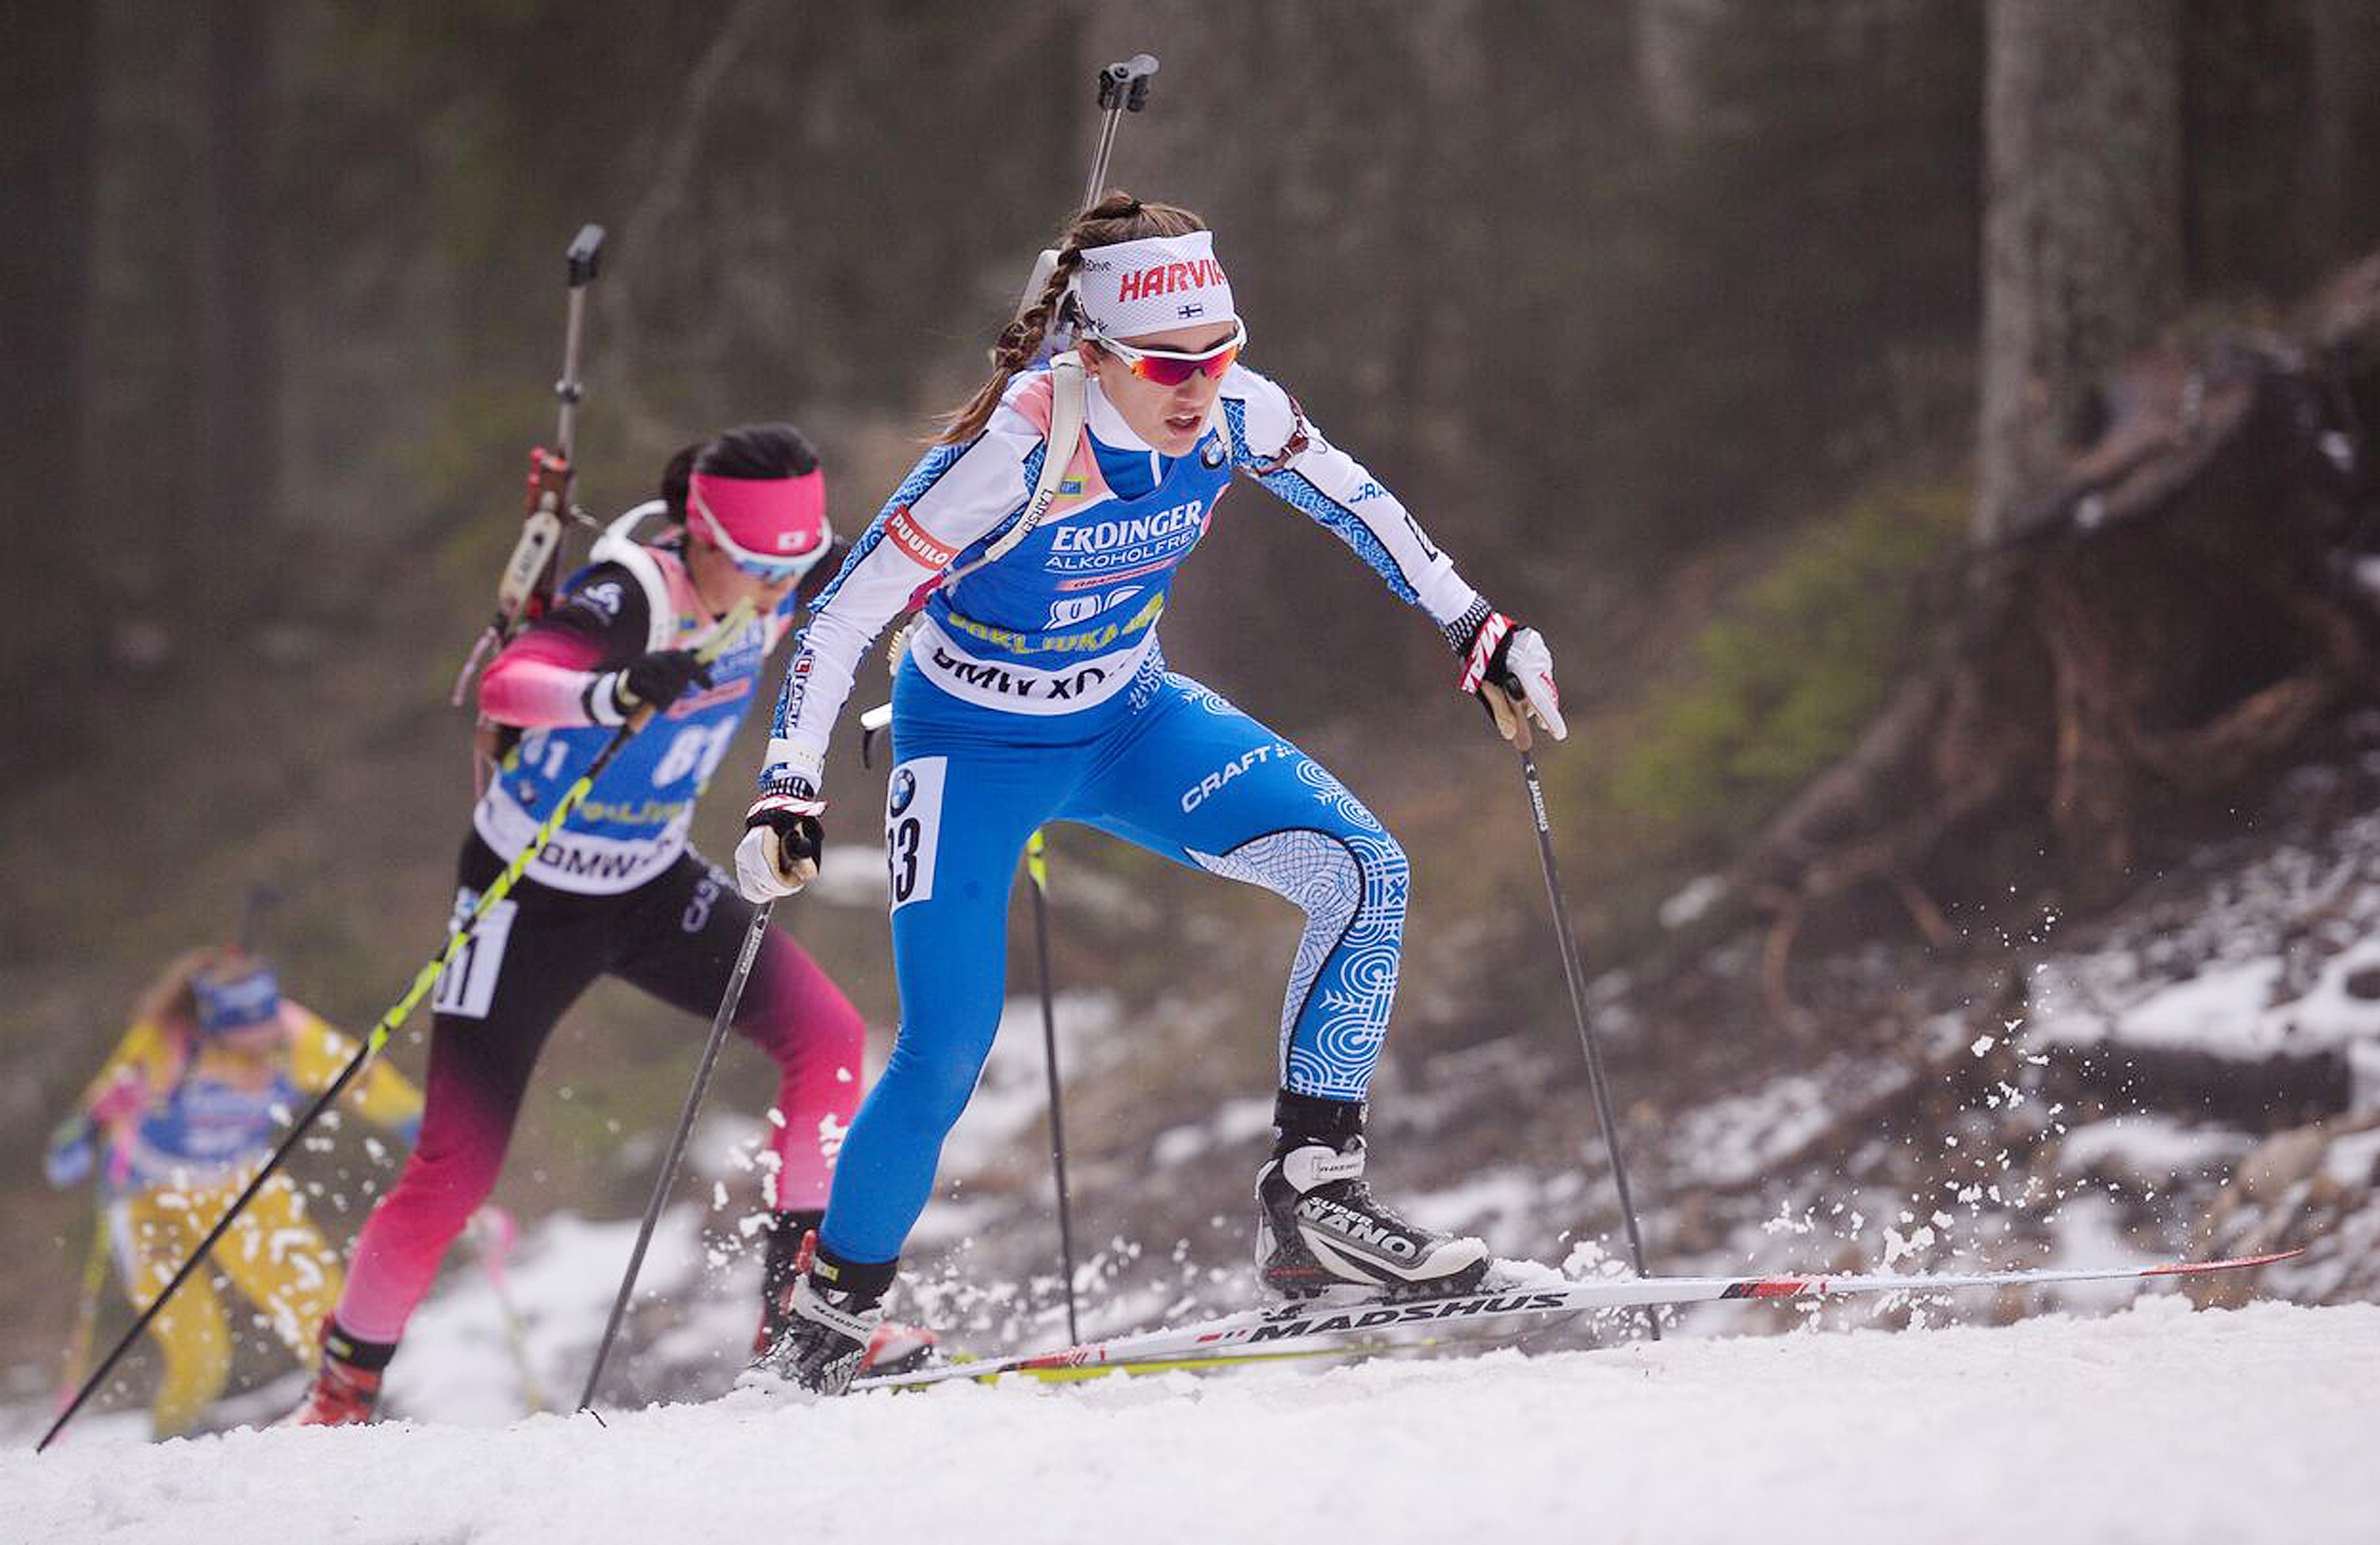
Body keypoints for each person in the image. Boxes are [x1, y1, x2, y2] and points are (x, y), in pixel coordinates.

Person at [732, 195, 1567, 1394]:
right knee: (946, 1049)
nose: (1197, 386)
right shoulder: (1016, 447)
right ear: (1095, 351)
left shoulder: (1238, 411)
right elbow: (842, 616)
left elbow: (1359, 503)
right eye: (1168, 364)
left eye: (1219, 352)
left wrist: (1477, 628)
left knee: (1363, 869)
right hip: (968, 747)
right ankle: (828, 1320)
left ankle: (1316, 1208)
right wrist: (787, 789)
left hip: (1130, 719)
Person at [292, 425, 930, 1425]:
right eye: (757, 565)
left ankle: (799, 1322)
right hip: (528, 897)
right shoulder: (628, 592)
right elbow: (511, 682)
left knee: (830, 1035)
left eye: (794, 566)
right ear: (700, 535)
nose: (778, 587)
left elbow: (908, 576)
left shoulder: (787, 570)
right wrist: (611, 689)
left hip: (650, 883)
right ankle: (340, 1393)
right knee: (455, 1168)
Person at [42, 947, 424, 1438]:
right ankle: (169, 1442)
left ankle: (361, 1416)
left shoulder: (295, 1036)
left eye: (268, 1020)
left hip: (240, 1185)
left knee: (321, 1309)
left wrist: (431, 1133)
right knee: (199, 1351)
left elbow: (375, 1085)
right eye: (246, 1031)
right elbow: (94, 1109)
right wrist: (78, 1139)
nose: (264, 1039)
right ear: (213, 1024)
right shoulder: (167, 1042)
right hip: (149, 1199)